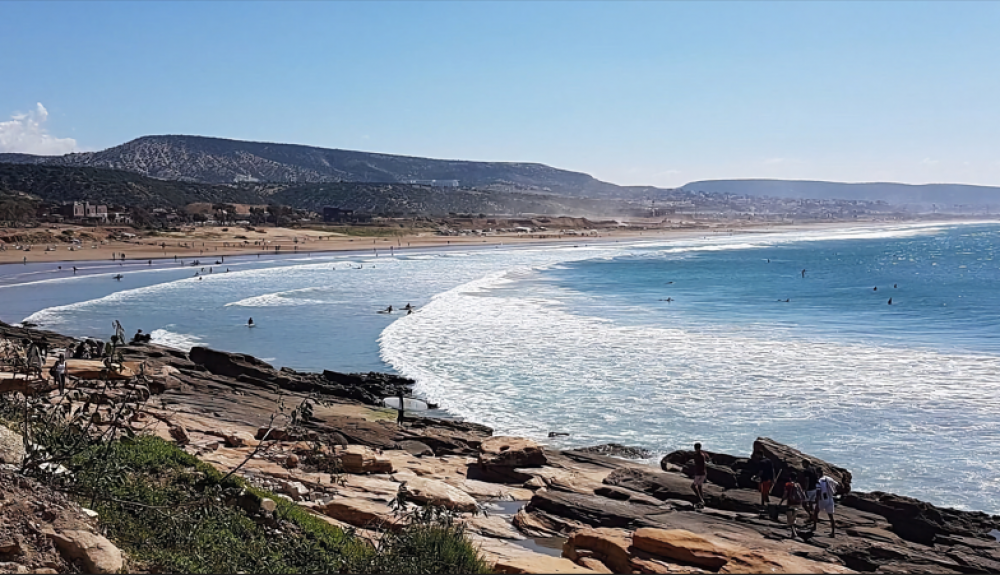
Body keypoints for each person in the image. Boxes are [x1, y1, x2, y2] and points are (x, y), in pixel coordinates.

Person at [778, 471, 806, 538]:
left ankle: (794, 532)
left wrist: (781, 502)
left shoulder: (788, 484)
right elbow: (802, 493)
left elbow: (785, 494)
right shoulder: (798, 484)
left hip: (791, 503)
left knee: (790, 519)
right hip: (798, 503)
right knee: (794, 517)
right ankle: (795, 530)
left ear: (790, 478)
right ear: (796, 478)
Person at [691, 443, 710, 509]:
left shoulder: (699, 455)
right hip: (703, 473)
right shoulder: (702, 454)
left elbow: (699, 465)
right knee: (699, 486)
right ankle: (701, 501)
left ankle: (701, 500)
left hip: (699, 473)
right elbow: (707, 458)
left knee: (693, 486)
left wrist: (696, 472)